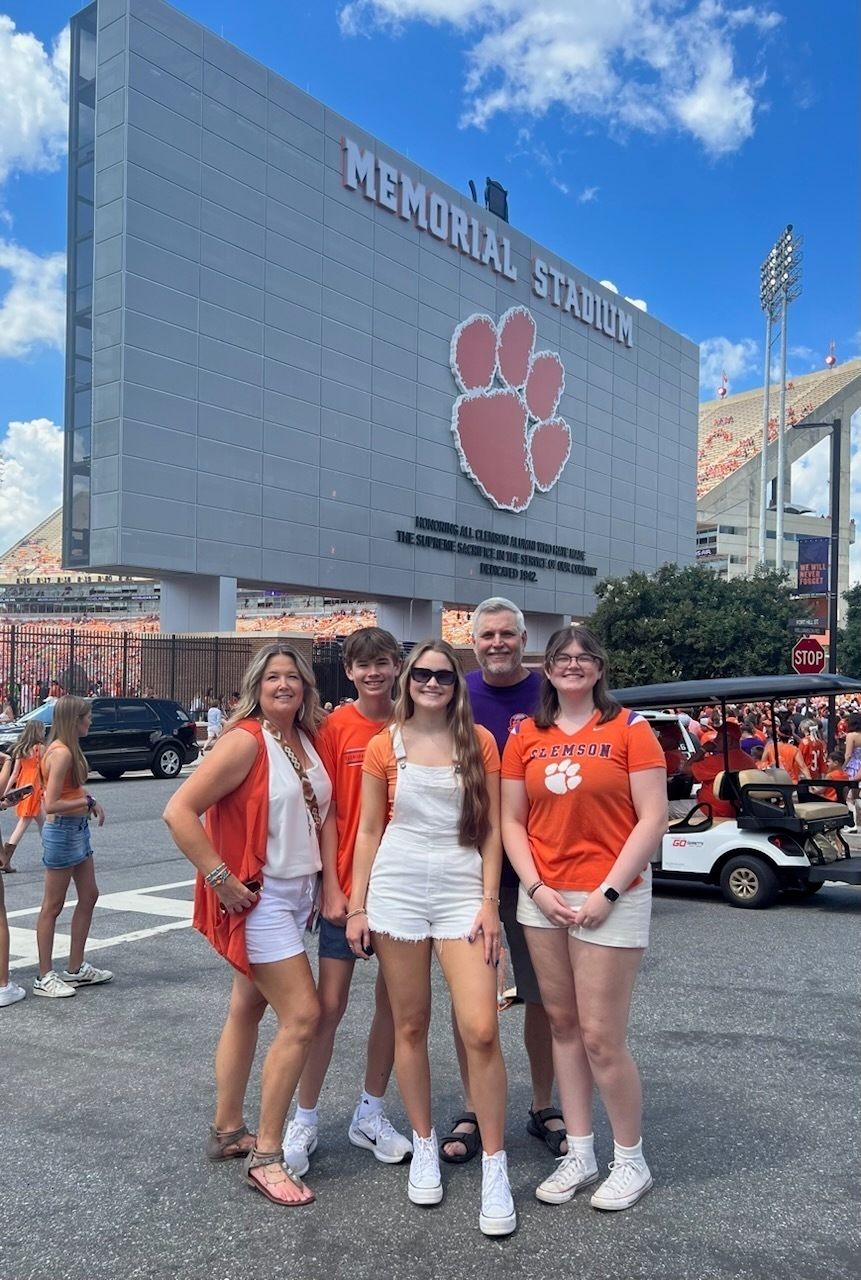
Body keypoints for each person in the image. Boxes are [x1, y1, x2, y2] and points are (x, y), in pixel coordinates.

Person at [346, 640, 516, 1236]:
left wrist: (491, 903)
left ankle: (494, 1163)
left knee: (481, 1029)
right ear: (407, 679)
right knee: (409, 1023)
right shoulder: (381, 745)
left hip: (463, 891)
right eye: (421, 673)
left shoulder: (480, 743)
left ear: (456, 683)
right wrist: (357, 905)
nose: (432, 682)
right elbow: (369, 830)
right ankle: (423, 1142)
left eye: (443, 674)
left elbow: (492, 831)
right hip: (395, 891)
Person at [501, 625, 667, 1211]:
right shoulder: (526, 735)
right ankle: (580, 1150)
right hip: (544, 897)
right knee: (562, 1026)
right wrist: (537, 886)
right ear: (547, 670)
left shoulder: (629, 728)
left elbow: (652, 818)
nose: (573, 664)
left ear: (599, 668)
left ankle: (630, 1160)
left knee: (602, 1037)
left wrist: (609, 892)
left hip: (609, 895)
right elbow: (512, 822)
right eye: (562, 657)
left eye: (584, 657)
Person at [163, 644, 332, 1207]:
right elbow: (178, 811)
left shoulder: (304, 740)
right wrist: (218, 877)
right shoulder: (245, 740)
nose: (284, 685)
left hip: (293, 893)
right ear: (256, 686)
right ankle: (267, 1154)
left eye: (293, 677)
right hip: (259, 898)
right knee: (303, 1015)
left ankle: (228, 1128)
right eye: (273, 677)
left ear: (305, 686)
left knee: (248, 1006)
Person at [283, 627, 412, 1174]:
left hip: (404, 884)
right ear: (351, 673)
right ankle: (304, 1118)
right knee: (327, 1008)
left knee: (395, 1007)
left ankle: (370, 1110)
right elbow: (332, 812)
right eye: (364, 666)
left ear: (396, 666)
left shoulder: (417, 722)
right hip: (350, 883)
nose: (374, 673)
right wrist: (334, 887)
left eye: (383, 662)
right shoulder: (337, 727)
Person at [443, 597, 564, 1164]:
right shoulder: (455, 692)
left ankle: (544, 1105)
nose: (497, 643)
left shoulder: (550, 692)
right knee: (475, 1001)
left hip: (539, 870)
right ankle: (472, 1104)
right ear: (474, 641)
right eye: (487, 634)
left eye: (507, 634)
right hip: (468, 872)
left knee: (542, 998)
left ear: (523, 638)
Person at [33, 696, 111, 999]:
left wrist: (85, 800)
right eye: (87, 717)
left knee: (89, 895)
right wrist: (87, 801)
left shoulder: (63, 750)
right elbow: (51, 803)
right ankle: (44, 975)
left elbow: (67, 791)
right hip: (63, 832)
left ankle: (76, 968)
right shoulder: (62, 753)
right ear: (74, 720)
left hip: (76, 830)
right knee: (52, 906)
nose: (90, 722)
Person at [1, 720, 47, 873]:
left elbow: (14, 774)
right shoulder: (40, 749)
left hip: (23, 787)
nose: (45, 732)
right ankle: (5, 860)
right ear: (37, 732)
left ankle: (51, 852)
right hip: (35, 787)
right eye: (43, 730)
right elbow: (45, 771)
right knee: (26, 823)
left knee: (42, 823)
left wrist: (4, 793)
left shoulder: (22, 749)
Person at [842, 713, 861, 832]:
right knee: (855, 795)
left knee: (848, 796)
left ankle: (851, 824)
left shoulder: (850, 736)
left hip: (853, 766)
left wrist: (843, 766)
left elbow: (848, 754)